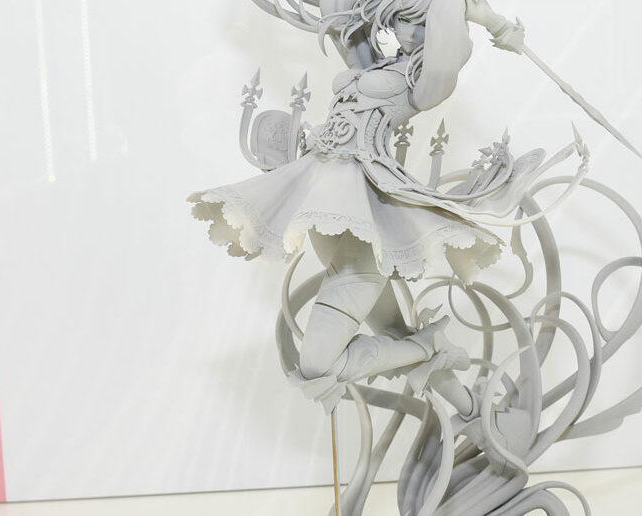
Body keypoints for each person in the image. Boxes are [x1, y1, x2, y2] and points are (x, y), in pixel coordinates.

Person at [189, 0, 533, 414]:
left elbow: (445, 47)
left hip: (361, 215)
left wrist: (483, 17)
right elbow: (339, 15)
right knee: (395, 333)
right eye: (401, 19)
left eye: (416, 20)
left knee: (317, 366)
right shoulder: (375, 64)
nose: (403, 29)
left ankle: (431, 346)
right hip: (326, 204)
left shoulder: (424, 82)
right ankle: (472, 411)